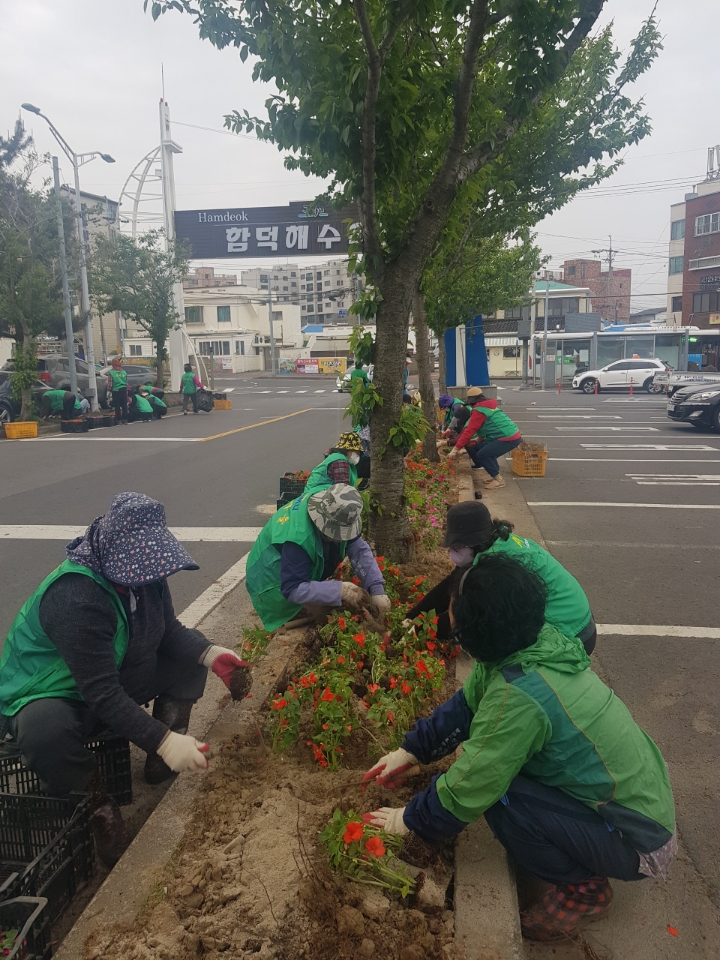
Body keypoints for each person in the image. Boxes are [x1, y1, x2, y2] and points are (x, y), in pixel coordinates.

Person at [363, 556, 676, 943]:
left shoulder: (519, 696)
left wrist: (408, 820)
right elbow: (467, 704)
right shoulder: (530, 643)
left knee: (500, 794)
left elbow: (472, 786)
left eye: (455, 620)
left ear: (478, 638)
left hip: (637, 839)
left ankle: (585, 890)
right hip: (641, 803)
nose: (451, 622)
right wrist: (411, 751)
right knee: (500, 767)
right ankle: (570, 843)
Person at [0, 493, 249, 866]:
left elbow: (168, 633)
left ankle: (158, 759)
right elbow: (101, 693)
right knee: (44, 732)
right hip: (52, 691)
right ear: (112, 559)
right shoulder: (75, 597)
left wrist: (212, 654)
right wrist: (166, 741)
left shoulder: (145, 576)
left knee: (188, 657)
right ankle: (97, 804)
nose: (152, 577)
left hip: (109, 674)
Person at [407, 501, 596, 652]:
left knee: (493, 642)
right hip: (578, 619)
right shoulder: (496, 541)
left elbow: (468, 618)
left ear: (471, 544)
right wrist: (412, 617)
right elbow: (451, 585)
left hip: (570, 634)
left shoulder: (495, 569)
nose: (452, 552)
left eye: (456, 547)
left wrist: (417, 629)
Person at [246, 484, 390, 631]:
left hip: (291, 561)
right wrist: (340, 590)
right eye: (337, 533)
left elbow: (358, 548)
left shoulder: (335, 502)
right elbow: (293, 588)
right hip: (270, 577)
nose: (341, 537)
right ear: (322, 522)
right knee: (299, 617)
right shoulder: (298, 540)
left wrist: (376, 587)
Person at [447, 386, 522, 488]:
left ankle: (498, 480)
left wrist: (455, 449)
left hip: (508, 437)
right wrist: (478, 440)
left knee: (483, 454)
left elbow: (469, 432)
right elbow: (490, 427)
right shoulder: (488, 407)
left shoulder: (479, 411)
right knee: (483, 449)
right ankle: (494, 475)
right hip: (509, 434)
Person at [106, 357, 128, 425]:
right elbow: (126, 382)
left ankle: (119, 420)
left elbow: (110, 383)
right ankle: (125, 419)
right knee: (124, 405)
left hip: (116, 390)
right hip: (124, 389)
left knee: (117, 406)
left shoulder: (111, 372)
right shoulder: (124, 372)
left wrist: (108, 391)